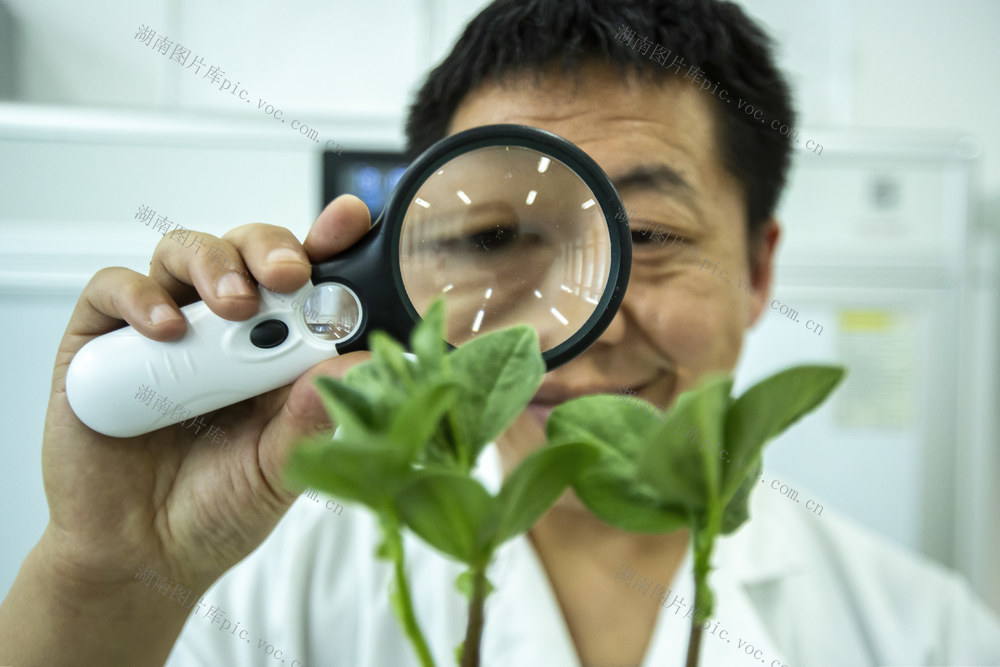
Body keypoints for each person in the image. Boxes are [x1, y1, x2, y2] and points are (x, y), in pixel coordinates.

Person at [2, 1, 999, 665]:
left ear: (758, 272)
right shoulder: (263, 592)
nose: (575, 328)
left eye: (648, 236)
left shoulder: (926, 635)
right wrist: (109, 576)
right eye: (490, 239)